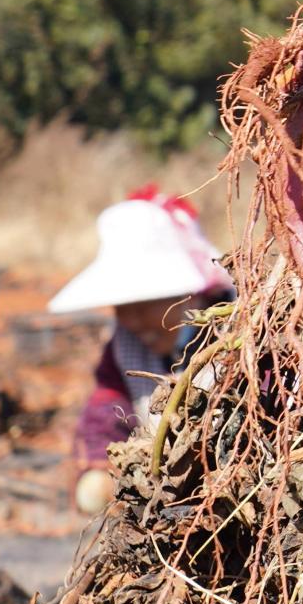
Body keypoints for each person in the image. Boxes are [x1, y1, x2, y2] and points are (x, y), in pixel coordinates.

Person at [50, 188, 235, 509]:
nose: (132, 320)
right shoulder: (124, 345)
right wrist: (98, 463)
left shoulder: (234, 334)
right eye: (123, 306)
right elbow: (107, 406)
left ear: (187, 295)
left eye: (145, 304)